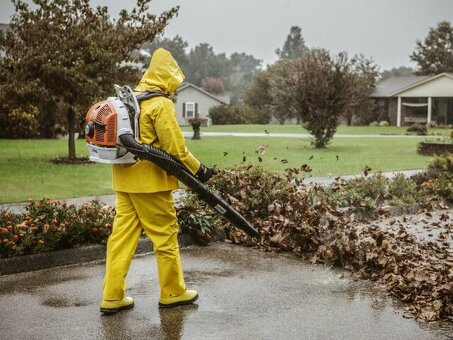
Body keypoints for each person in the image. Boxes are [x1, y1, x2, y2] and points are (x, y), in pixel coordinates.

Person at [100, 48, 216, 314]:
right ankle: (173, 292)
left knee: (121, 238)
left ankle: (112, 296)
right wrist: (200, 171)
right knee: (165, 236)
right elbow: (175, 149)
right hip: (150, 183)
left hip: (124, 180)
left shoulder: (131, 98)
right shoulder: (160, 103)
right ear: (166, 77)